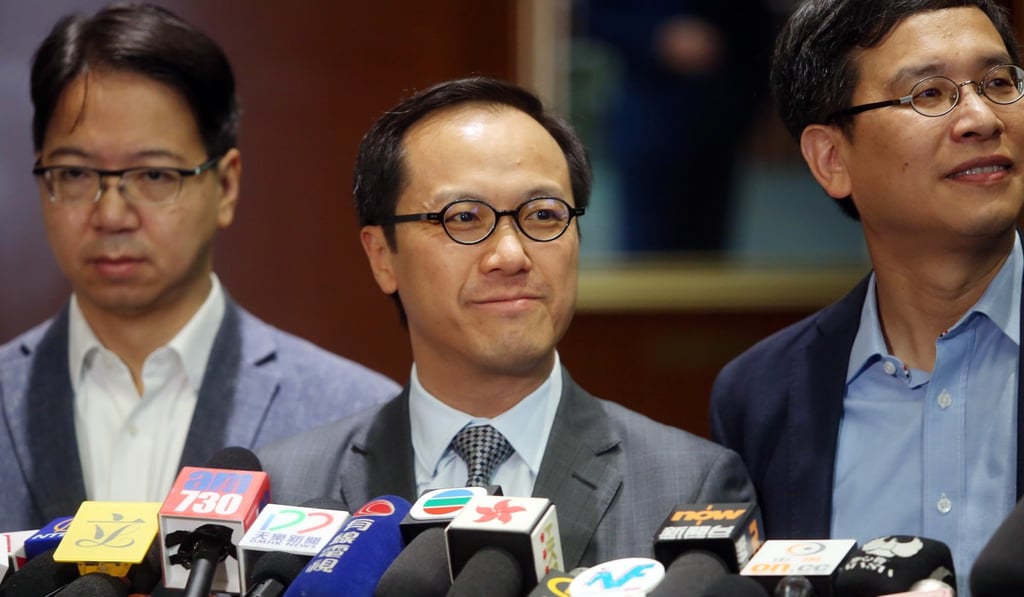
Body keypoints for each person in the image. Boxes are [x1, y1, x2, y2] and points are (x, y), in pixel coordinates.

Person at [259, 76, 755, 567]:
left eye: (543, 215)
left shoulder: (689, 485)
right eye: (463, 217)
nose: (511, 255)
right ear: (382, 256)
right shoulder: (287, 488)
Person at [0, 3, 398, 531]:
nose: (112, 215)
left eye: (154, 176)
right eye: (74, 173)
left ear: (226, 186)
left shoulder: (357, 415)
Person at [709, 1, 1024, 593]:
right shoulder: (763, 397)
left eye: (999, 83)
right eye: (929, 94)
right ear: (831, 159)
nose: (981, 118)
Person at [582, 0, 776, 252]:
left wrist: (755, 107)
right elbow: (597, 16)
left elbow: (757, 24)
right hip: (649, 117)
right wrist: (656, 36)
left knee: (708, 245)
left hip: (719, 116)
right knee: (647, 247)